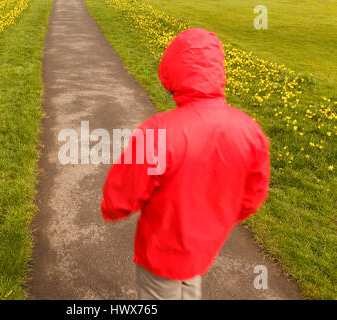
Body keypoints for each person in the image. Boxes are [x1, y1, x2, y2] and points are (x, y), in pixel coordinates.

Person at [100, 28, 271, 300]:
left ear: (171, 72)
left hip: (161, 247)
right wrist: (227, 214)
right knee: (190, 284)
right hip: (205, 243)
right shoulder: (249, 129)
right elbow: (253, 193)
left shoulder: (157, 132)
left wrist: (113, 208)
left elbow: (125, 188)